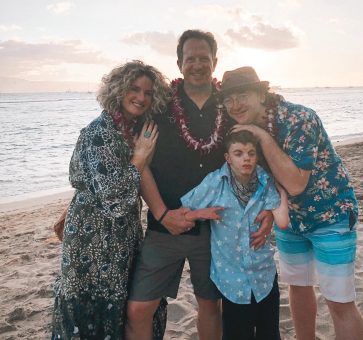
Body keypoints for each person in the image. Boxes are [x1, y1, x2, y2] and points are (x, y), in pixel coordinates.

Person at [125, 30, 272, 340]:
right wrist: (164, 214)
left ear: (214, 62)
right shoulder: (161, 106)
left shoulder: (230, 107)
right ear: (179, 64)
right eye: (190, 58)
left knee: (210, 305)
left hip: (217, 228)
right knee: (139, 309)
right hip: (164, 225)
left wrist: (269, 210)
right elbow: (142, 163)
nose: (197, 64)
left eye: (203, 58)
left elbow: (256, 159)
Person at [219, 66, 363, 340]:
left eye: (242, 95)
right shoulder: (242, 129)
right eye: (228, 99)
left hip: (330, 215)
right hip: (290, 219)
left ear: (261, 94)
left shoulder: (299, 118)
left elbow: (296, 183)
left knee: (339, 300)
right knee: (297, 287)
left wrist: (262, 136)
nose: (234, 104)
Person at [51, 60, 170, 340]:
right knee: (90, 309)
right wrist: (139, 157)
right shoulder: (99, 133)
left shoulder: (130, 129)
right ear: (118, 89)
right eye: (134, 88)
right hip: (91, 239)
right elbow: (113, 197)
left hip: (121, 236)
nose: (141, 97)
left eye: (148, 92)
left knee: (121, 304)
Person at [181, 130, 289, 340]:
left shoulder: (265, 181)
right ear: (227, 158)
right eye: (238, 153)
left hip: (264, 275)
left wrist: (279, 191)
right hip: (232, 280)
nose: (246, 158)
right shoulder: (215, 183)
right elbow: (185, 210)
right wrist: (199, 213)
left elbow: (283, 221)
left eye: (251, 153)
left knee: (270, 334)